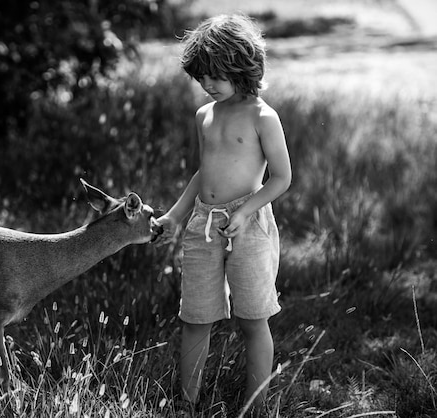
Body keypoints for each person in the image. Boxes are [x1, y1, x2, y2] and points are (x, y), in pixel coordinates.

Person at [155, 13, 292, 416]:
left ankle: (255, 405)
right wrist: (176, 217)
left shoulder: (263, 117)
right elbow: (204, 173)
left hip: (248, 227)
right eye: (201, 78)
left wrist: (247, 211)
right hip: (203, 224)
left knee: (253, 318)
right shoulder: (205, 115)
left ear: (241, 66)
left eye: (215, 76)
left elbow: (282, 177)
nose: (207, 85)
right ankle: (187, 403)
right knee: (195, 317)